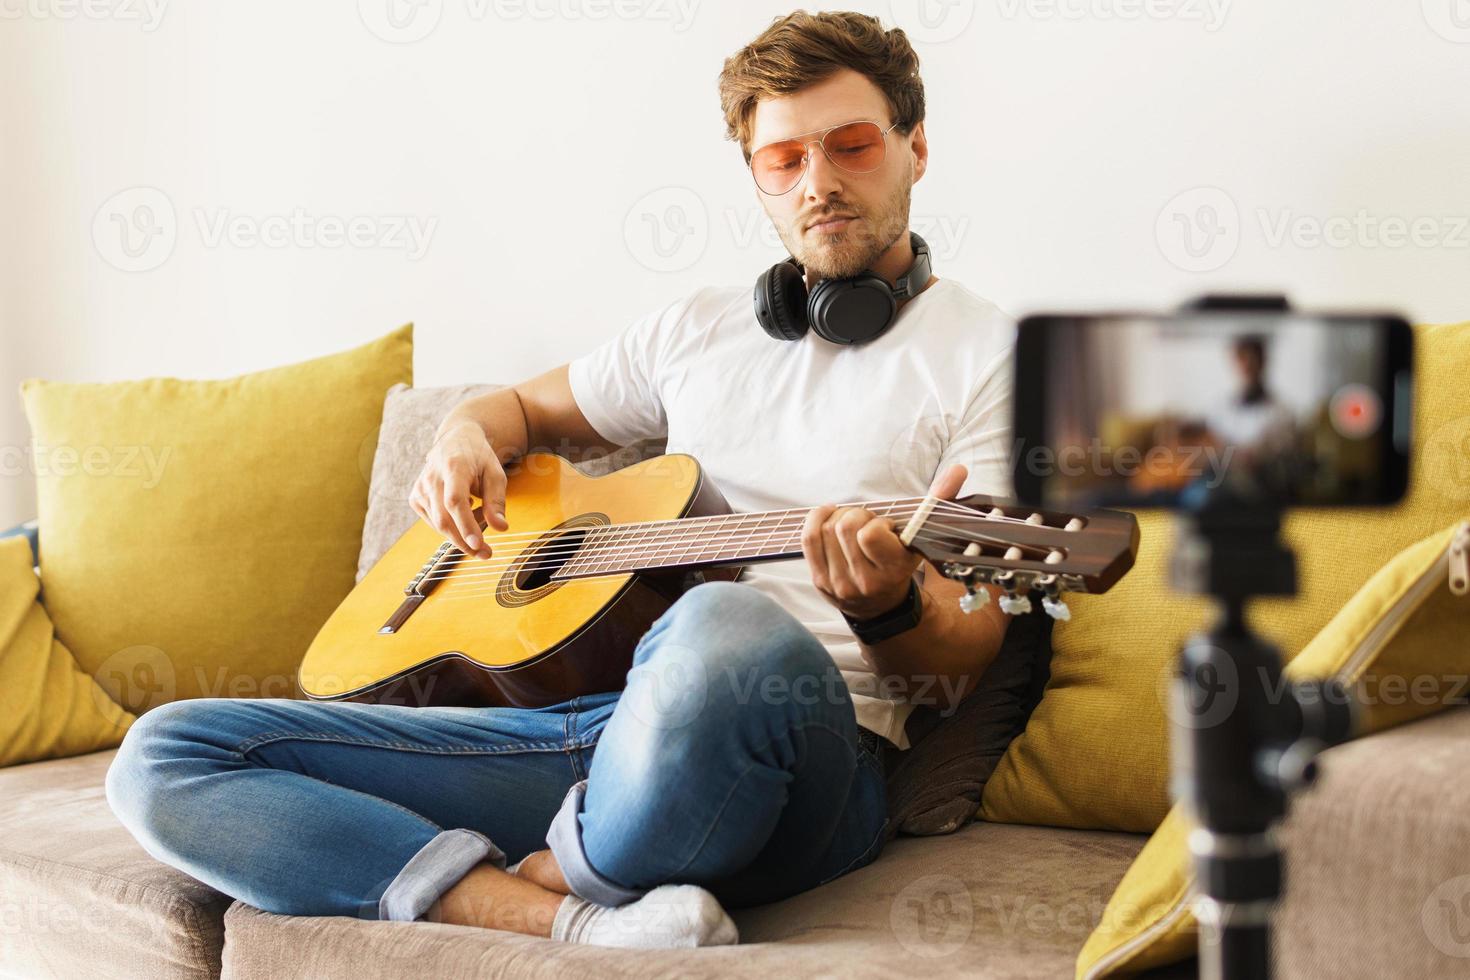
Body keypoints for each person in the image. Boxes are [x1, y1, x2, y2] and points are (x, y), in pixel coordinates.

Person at [107, 11, 1016, 949]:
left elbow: (965, 652)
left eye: (852, 146)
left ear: (914, 147)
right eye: (782, 160)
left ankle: (559, 865)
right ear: (756, 178)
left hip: (802, 759)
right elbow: (523, 413)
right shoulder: (696, 330)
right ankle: (563, 919)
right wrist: (463, 434)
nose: (818, 183)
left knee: (727, 623)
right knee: (164, 755)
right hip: (590, 729)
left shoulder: (989, 353)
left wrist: (885, 608)